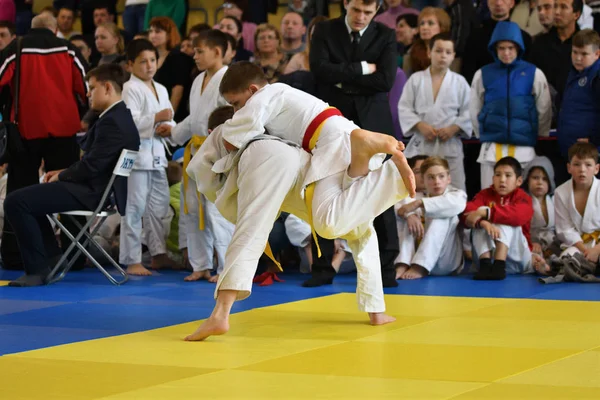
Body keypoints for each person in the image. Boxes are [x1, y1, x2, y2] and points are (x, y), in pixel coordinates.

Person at [183, 89, 414, 340]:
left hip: (276, 159)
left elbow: (202, 174)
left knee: (253, 229)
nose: (240, 108)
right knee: (350, 225)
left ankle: (220, 314)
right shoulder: (269, 118)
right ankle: (376, 309)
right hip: (303, 163)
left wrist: (228, 193)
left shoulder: (232, 125)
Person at [4, 64, 140, 286]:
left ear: (107, 88)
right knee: (28, 200)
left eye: (92, 88)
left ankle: (37, 268)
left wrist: (62, 175)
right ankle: (51, 257)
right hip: (96, 189)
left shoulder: (113, 122)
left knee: (15, 201)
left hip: (91, 192)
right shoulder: (119, 117)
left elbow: (92, 167)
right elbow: (94, 163)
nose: (87, 94)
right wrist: (63, 172)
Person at [308, 0, 402, 288]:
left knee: (381, 192)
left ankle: (386, 270)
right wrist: (362, 69)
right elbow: (318, 71)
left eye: (368, 12)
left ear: (376, 10)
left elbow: (385, 80)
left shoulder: (385, 35)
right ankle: (322, 268)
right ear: (346, 4)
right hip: (333, 120)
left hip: (374, 122)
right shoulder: (325, 29)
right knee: (324, 185)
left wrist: (342, 78)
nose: (361, 17)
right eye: (356, 10)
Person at [0, 13, 88, 271]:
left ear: (31, 28)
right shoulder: (69, 49)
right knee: (70, 191)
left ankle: (17, 255)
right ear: (55, 28)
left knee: (19, 193)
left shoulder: (16, 48)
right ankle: (75, 256)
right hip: (64, 130)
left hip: (24, 131)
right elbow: (84, 87)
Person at [156, 30, 234, 282]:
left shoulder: (228, 79)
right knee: (192, 208)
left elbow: (232, 118)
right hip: (196, 152)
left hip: (218, 152)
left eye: (200, 51)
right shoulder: (199, 78)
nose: (195, 55)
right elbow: (196, 118)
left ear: (217, 52)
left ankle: (226, 268)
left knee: (216, 211)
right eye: (194, 50)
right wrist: (175, 131)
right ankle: (200, 265)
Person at [470, 21, 552, 189]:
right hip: (491, 146)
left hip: (524, 147)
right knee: (489, 196)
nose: (506, 53)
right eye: (501, 48)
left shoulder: (533, 73)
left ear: (518, 48)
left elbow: (544, 107)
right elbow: (474, 108)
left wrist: (540, 133)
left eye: (511, 48)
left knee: (522, 199)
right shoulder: (483, 74)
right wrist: (482, 133)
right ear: (494, 49)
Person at [119, 39, 176, 276]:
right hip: (136, 157)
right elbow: (128, 124)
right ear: (130, 64)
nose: (149, 65)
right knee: (134, 207)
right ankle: (132, 259)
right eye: (143, 61)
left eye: (153, 60)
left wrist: (168, 126)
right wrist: (156, 118)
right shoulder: (129, 88)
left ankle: (158, 254)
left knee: (159, 207)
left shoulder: (161, 88)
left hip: (157, 154)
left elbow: (169, 118)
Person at [398, 33, 471, 191]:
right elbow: (404, 107)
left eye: (448, 52)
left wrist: (455, 127)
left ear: (453, 56)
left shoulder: (460, 82)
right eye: (438, 51)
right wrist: (419, 125)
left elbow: (469, 111)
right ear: (429, 52)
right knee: (418, 187)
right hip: (422, 142)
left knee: (455, 189)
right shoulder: (416, 80)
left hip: (449, 144)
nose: (443, 55)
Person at [462, 157, 534, 280]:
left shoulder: (524, 198)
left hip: (517, 260)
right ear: (493, 178)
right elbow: (467, 215)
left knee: (505, 218)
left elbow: (518, 217)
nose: (502, 180)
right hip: (488, 261)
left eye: (508, 175)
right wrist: (483, 222)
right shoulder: (484, 194)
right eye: (498, 175)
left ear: (519, 181)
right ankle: (485, 265)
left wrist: (487, 213)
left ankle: (499, 265)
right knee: (480, 219)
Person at [395, 156, 467, 279]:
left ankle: (420, 266)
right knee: (405, 217)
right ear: (423, 180)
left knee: (440, 215)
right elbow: (400, 208)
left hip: (445, 261)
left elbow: (456, 204)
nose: (436, 181)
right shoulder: (413, 196)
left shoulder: (457, 195)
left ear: (448, 178)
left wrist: (419, 204)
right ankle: (402, 262)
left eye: (441, 176)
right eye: (431, 177)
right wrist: (410, 215)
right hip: (413, 259)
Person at [557, 29, 600, 161]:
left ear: (597, 54)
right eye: (575, 52)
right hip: (571, 151)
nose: (578, 58)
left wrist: (594, 140)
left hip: (590, 154)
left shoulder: (597, 77)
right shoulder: (573, 73)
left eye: (584, 54)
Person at [554, 142, 600, 261]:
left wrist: (596, 250)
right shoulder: (561, 192)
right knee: (567, 258)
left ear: (596, 169)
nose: (582, 170)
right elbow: (565, 229)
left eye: (588, 165)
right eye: (577, 164)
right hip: (577, 246)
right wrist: (585, 251)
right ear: (569, 168)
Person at [523, 156, 557, 259]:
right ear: (527, 180)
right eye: (535, 178)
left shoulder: (556, 200)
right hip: (529, 243)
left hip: (553, 244)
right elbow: (520, 230)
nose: (540, 182)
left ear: (550, 182)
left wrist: (554, 246)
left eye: (544, 179)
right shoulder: (522, 201)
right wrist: (531, 242)